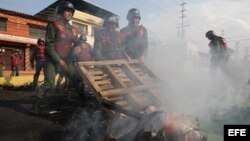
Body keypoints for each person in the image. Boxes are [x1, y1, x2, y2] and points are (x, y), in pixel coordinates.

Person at [30, 1, 78, 114]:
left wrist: (78, 44)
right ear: (61, 12)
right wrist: (59, 60)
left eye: (71, 11)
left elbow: (73, 43)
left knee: (76, 77)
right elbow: (49, 45)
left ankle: (83, 101)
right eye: (67, 11)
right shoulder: (53, 24)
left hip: (66, 59)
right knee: (49, 83)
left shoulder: (72, 29)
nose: (70, 13)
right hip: (52, 60)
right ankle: (35, 106)